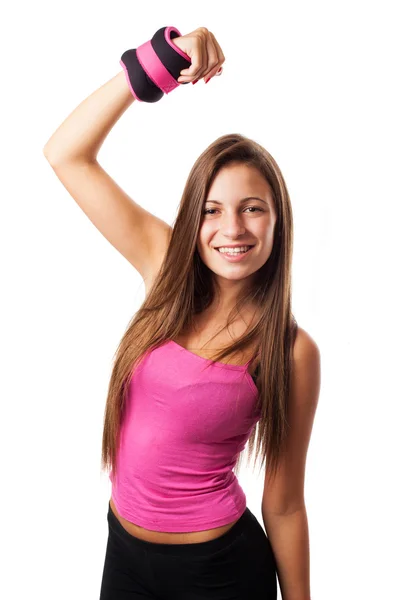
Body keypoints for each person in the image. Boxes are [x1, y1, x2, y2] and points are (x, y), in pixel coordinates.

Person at [43, 25, 320, 600]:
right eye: (213, 210)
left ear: (278, 222)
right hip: (123, 553)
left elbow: (285, 501)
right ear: (194, 217)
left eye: (252, 209)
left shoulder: (291, 350)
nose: (232, 230)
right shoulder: (164, 268)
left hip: (219, 574)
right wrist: (162, 58)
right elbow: (66, 154)